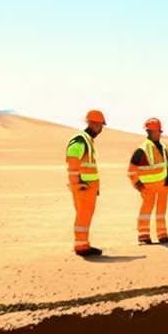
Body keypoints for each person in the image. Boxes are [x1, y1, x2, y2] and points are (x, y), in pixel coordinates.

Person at [127, 117, 168, 244]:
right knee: (146, 210)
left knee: (161, 212)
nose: (159, 133)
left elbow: (167, 164)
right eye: (158, 131)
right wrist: (138, 185)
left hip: (163, 186)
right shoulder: (142, 149)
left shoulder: (163, 147)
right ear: (152, 132)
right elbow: (131, 171)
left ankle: (162, 235)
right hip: (149, 187)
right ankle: (143, 235)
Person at [66, 110, 105, 257]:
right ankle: (81, 246)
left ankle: (82, 244)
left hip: (87, 186)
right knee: (83, 215)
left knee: (84, 215)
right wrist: (77, 184)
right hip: (84, 187)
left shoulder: (87, 140)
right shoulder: (81, 140)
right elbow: (72, 162)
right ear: (94, 124)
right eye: (101, 125)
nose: (101, 129)